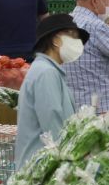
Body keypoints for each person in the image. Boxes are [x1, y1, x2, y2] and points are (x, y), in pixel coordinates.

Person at [15, 14, 88, 168]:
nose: (77, 42)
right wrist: (71, 158)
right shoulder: (46, 73)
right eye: (73, 36)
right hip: (41, 169)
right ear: (56, 40)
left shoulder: (48, 70)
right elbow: (53, 123)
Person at [64, 0, 109, 113]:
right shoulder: (96, 27)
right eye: (108, 0)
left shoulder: (66, 23)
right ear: (95, 1)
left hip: (75, 109)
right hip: (99, 112)